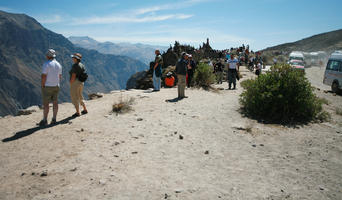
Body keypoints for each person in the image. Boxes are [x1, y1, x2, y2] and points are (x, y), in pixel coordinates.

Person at [39, 49, 62, 126]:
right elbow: (60, 76)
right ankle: (54, 119)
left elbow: (43, 76)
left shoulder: (46, 64)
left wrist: (42, 85)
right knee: (55, 102)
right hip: (56, 86)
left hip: (47, 86)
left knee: (46, 104)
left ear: (48, 56)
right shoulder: (59, 64)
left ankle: (45, 120)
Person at [69, 53, 88, 117]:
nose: (72, 58)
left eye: (73, 57)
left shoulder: (75, 66)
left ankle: (77, 112)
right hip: (81, 82)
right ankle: (85, 109)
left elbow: (73, 75)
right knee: (80, 95)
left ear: (76, 59)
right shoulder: (81, 65)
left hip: (75, 82)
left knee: (74, 97)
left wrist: (71, 82)